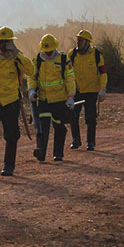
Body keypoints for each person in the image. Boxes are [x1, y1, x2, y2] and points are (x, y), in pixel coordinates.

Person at [0, 27, 34, 176]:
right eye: (0, 42)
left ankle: (8, 166)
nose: (3, 45)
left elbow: (31, 71)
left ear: (12, 42)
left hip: (11, 102)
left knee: (11, 135)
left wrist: (16, 52)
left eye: (6, 42)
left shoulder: (18, 58)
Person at [28, 34, 76, 162]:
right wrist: (31, 90)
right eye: (46, 50)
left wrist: (71, 96)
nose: (48, 53)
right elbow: (32, 77)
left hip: (60, 100)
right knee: (43, 127)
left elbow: (69, 78)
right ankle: (41, 153)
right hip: (44, 100)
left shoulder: (63, 59)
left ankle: (58, 154)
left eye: (49, 50)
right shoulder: (38, 60)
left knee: (59, 127)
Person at [69, 29, 107, 150]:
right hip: (77, 90)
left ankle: (90, 143)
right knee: (72, 116)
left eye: (80, 40)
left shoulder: (96, 55)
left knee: (90, 118)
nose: (78, 42)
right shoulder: (72, 54)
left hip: (91, 91)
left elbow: (103, 73)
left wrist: (103, 89)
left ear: (87, 42)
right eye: (77, 40)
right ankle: (76, 141)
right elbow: (66, 73)